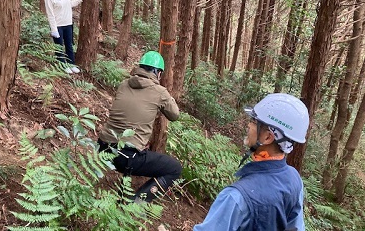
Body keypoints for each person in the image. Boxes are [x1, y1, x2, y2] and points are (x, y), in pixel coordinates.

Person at [194, 93, 309, 231]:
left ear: (267, 137)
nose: (248, 125)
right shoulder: (295, 179)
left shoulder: (236, 197)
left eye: (254, 121)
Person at [98, 51, 182, 202]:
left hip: (103, 148)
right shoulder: (160, 92)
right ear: (157, 73)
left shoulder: (124, 84)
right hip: (126, 157)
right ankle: (136, 203)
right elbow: (174, 115)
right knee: (174, 169)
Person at [44, 0, 84, 74]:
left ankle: (71, 64)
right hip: (58, 26)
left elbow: (69, 4)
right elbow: (50, 14)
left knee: (69, 45)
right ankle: (62, 65)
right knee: (59, 47)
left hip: (68, 24)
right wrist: (54, 29)